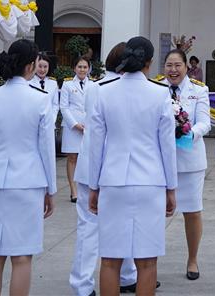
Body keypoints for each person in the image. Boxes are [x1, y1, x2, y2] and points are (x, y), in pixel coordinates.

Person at [87, 36, 176, 296]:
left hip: (113, 180)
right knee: (147, 260)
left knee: (110, 259)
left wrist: (94, 185)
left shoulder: (104, 92)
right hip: (150, 181)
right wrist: (172, 187)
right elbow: (167, 146)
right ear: (150, 62)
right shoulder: (160, 93)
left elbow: (96, 145)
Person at [0, 38, 56, 296]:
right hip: (29, 181)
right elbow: (46, 149)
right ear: (30, 66)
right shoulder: (40, 99)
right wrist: (51, 189)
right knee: (22, 256)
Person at [69, 45, 137, 296]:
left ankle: (118, 277)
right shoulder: (113, 89)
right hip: (111, 165)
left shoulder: (95, 87)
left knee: (96, 226)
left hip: (95, 165)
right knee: (109, 224)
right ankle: (86, 283)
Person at [163, 48, 211, 281]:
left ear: (186, 67)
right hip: (160, 161)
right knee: (155, 212)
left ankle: (193, 259)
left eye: (177, 65)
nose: (173, 70)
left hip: (190, 160)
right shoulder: (155, 88)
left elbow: (205, 122)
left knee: (192, 212)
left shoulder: (198, 89)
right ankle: (146, 263)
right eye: (169, 65)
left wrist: (188, 133)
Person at [60, 56, 94, 204]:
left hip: (88, 126)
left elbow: (94, 106)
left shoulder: (93, 85)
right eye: (79, 67)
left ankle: (84, 188)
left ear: (89, 69)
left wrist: (88, 124)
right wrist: (74, 124)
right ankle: (73, 191)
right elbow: (64, 107)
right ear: (74, 68)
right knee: (72, 157)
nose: (82, 69)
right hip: (72, 127)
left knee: (86, 157)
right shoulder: (67, 85)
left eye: (85, 67)